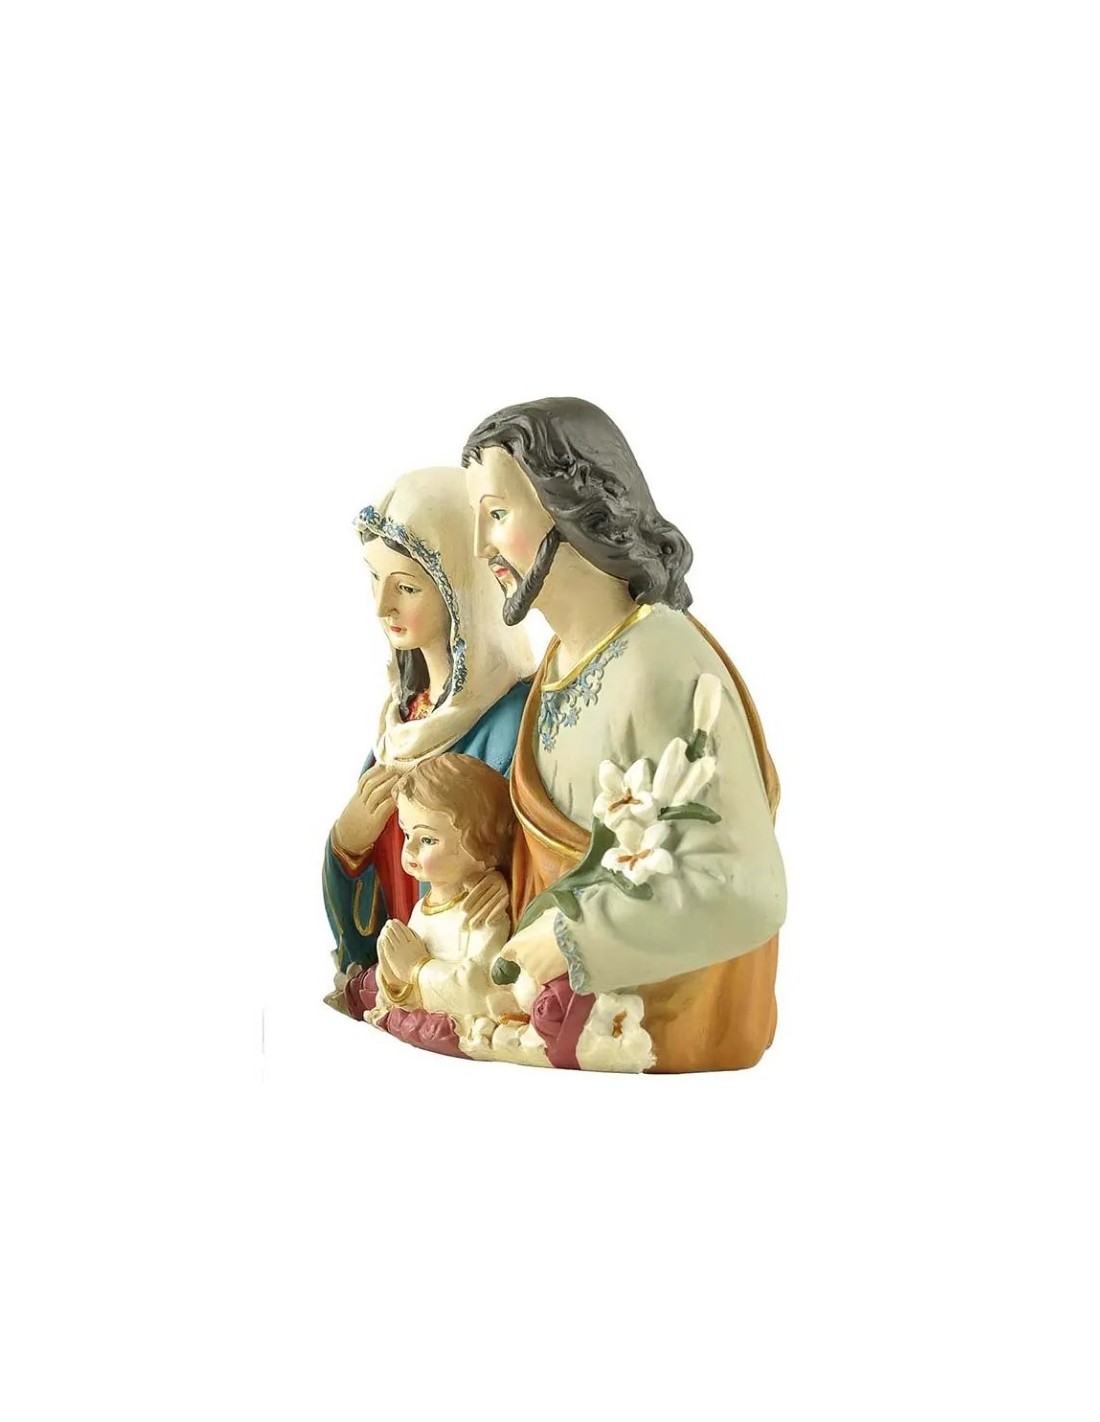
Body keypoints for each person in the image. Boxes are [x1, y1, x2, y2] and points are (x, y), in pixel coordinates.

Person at [461, 398, 787, 1072]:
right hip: (562, 1016)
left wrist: (574, 938)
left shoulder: (659, 661)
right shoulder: (561, 659)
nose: (479, 546)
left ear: (571, 508)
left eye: (496, 514)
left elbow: (748, 888)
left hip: (659, 1024)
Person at [322, 468, 534, 1005]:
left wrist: (506, 880)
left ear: (463, 592)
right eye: (375, 578)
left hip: (464, 979)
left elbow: (537, 852)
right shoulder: (404, 718)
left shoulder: (512, 721)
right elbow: (376, 862)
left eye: (407, 587)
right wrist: (348, 844)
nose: (382, 606)